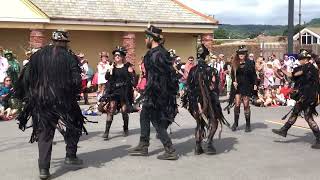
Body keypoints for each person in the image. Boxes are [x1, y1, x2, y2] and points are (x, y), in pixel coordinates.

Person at [15, 30, 87, 180]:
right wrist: (71, 91)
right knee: (75, 123)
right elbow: (76, 82)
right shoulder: (69, 57)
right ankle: (70, 155)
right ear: (65, 42)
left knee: (45, 133)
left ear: (53, 41)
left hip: (41, 100)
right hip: (64, 100)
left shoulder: (38, 55)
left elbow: (25, 77)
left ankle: (44, 169)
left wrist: (25, 95)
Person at [128, 25, 179, 160]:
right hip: (153, 92)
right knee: (144, 115)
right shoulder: (157, 52)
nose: (145, 40)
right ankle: (143, 144)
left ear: (151, 38)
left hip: (157, 93)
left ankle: (170, 150)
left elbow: (162, 77)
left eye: (146, 37)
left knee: (156, 120)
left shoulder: (157, 54)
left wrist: (154, 93)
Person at [182, 42, 230, 155]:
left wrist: (193, 101)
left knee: (199, 124)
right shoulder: (211, 70)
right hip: (209, 101)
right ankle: (208, 143)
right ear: (206, 57)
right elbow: (216, 88)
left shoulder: (193, 70)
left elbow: (188, 86)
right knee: (214, 121)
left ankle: (198, 146)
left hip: (195, 102)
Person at [272, 49, 320, 149]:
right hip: (310, 96)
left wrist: (280, 68)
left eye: (301, 58)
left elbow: (292, 75)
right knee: (297, 113)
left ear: (305, 59)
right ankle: (284, 130)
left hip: (307, 96)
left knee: (307, 117)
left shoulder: (306, 67)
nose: (299, 60)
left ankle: (319, 139)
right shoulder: (311, 67)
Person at [99, 46, 135, 140]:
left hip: (124, 92)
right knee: (111, 109)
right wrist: (110, 70)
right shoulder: (112, 67)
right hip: (114, 91)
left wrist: (131, 73)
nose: (117, 57)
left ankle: (125, 128)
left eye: (119, 55)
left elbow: (133, 79)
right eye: (115, 55)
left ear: (122, 56)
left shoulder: (127, 66)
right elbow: (107, 78)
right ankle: (106, 132)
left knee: (124, 111)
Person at [226, 45, 256, 132]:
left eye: (243, 53)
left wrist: (255, 84)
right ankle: (235, 123)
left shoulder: (250, 63)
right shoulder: (235, 62)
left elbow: (254, 74)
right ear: (238, 54)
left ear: (245, 54)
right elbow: (232, 74)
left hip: (246, 85)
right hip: (237, 86)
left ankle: (248, 125)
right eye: (239, 53)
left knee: (246, 105)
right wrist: (234, 81)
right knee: (237, 104)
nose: (241, 55)